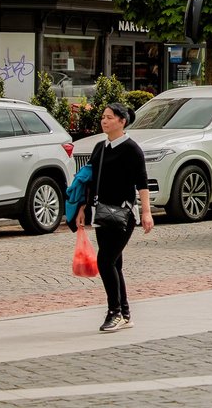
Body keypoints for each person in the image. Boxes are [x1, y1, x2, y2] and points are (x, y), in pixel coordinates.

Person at [76, 102, 154, 331]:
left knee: (105, 260)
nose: (104, 121)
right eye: (103, 117)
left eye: (110, 117)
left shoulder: (132, 149)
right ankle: (125, 312)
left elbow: (142, 182)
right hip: (102, 212)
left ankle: (115, 312)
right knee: (115, 263)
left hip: (124, 213)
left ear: (122, 121)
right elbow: (89, 180)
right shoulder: (100, 147)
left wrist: (147, 212)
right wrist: (82, 207)